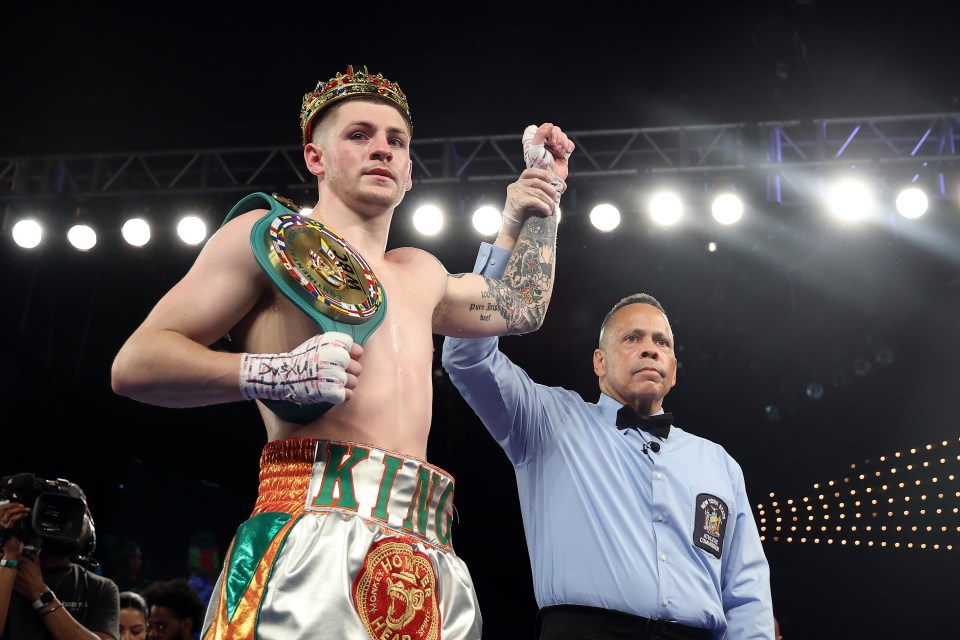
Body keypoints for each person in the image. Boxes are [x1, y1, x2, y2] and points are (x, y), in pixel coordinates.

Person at [111, 63, 574, 640]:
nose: (382, 149)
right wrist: (271, 373)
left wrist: (539, 203)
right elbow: (136, 363)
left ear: (410, 171)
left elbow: (521, 305)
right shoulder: (269, 240)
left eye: (396, 141)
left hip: (426, 550)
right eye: (359, 135)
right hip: (309, 533)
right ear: (316, 157)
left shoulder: (420, 271)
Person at [441, 293, 775, 639]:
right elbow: (467, 357)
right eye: (632, 338)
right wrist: (499, 275)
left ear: (673, 370)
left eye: (661, 342)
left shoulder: (719, 463)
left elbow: (746, 591)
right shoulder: (548, 420)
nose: (650, 349)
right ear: (599, 362)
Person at [0, 473, 120, 639]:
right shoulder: (5, 571)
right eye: (50, 514)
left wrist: (40, 594)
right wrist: (10, 556)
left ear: (90, 528)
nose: (65, 522)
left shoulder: (100, 588)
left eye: (75, 512)